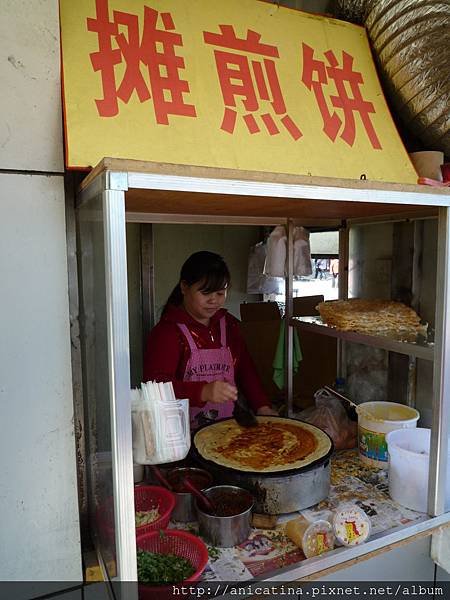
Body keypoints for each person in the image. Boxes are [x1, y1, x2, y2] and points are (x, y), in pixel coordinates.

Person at [143, 251, 276, 430]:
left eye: (220, 293)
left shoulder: (228, 325)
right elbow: (155, 387)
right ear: (184, 287)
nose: (213, 300)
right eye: (205, 293)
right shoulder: (167, 332)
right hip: (181, 436)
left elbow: (246, 368)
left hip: (227, 429)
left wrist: (262, 405)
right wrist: (202, 391)